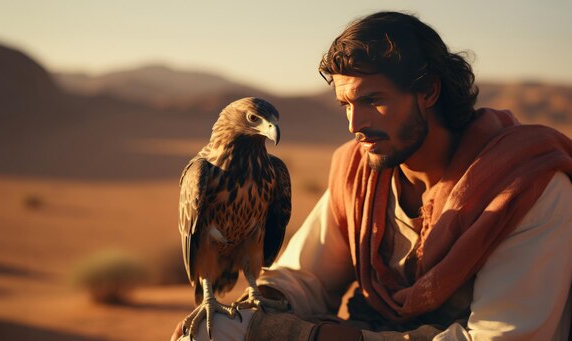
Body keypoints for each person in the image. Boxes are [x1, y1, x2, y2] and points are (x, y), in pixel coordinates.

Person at [172, 11, 572, 340]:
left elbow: (501, 337)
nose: (355, 124)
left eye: (373, 101)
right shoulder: (361, 173)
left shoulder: (525, 186)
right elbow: (306, 276)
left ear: (429, 91)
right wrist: (245, 318)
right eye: (346, 104)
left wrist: (318, 338)